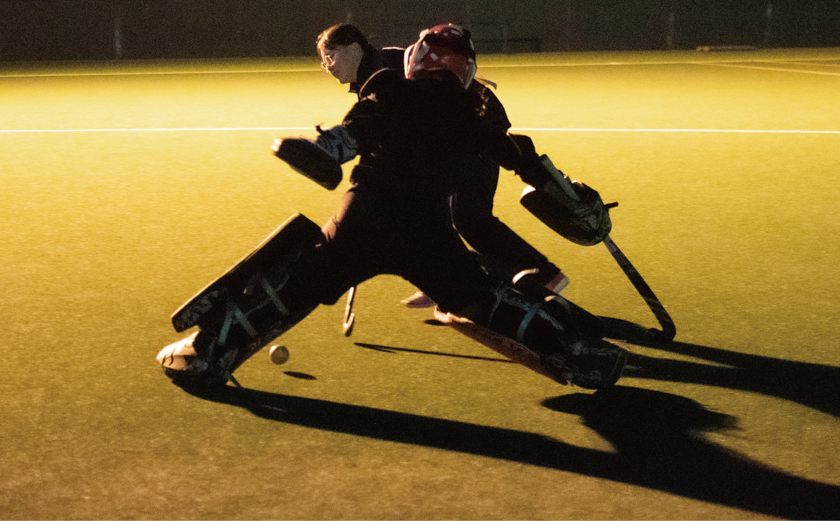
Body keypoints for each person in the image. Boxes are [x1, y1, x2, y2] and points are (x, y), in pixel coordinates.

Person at [157, 24, 625, 390]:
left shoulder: (389, 87)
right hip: (429, 233)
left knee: (291, 286)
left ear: (418, 60)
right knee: (481, 298)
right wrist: (573, 197)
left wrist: (326, 151)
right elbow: (527, 162)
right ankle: (576, 350)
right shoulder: (475, 113)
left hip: (365, 221)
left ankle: (209, 353)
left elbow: (360, 129)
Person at [316, 23, 568, 308]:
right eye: (324, 60)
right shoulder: (370, 73)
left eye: (331, 55)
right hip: (466, 134)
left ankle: (540, 276)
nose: (328, 65)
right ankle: (449, 278)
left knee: (469, 217)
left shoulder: (389, 66)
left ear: (353, 47)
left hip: (478, 133)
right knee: (451, 213)